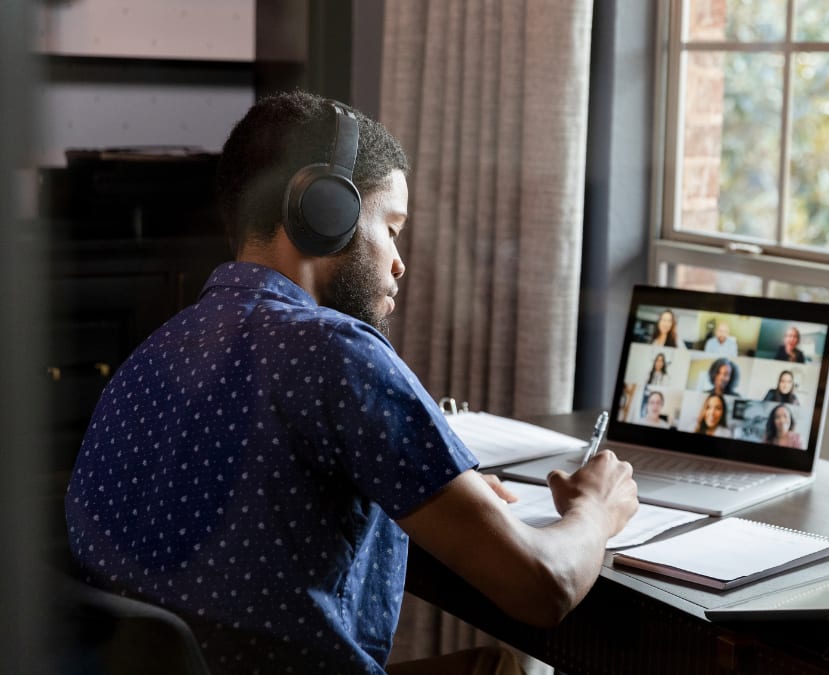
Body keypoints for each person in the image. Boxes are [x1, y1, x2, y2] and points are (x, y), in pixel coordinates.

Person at [63, 91, 638, 675]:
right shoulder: (334, 350)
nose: (398, 261)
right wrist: (596, 507)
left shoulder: (155, 351)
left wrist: (442, 491)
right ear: (324, 209)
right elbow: (542, 587)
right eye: (391, 227)